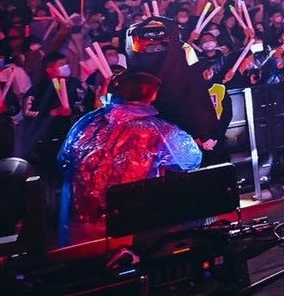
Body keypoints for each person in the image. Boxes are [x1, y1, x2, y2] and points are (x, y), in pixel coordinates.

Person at [57, 70, 202, 244]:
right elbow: (190, 160)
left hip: (81, 225)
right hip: (131, 225)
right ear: (151, 94)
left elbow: (63, 161)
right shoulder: (157, 130)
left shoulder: (88, 120)